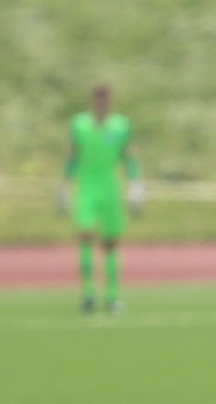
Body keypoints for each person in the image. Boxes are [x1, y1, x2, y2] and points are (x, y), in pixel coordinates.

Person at [57, 84, 143, 314]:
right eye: (98, 99)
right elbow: (73, 156)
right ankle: (87, 294)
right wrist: (64, 184)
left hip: (110, 189)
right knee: (85, 236)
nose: (102, 104)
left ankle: (112, 296)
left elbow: (128, 156)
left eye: (106, 100)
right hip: (86, 188)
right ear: (93, 102)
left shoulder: (120, 126)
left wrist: (135, 184)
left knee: (110, 242)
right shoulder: (80, 125)